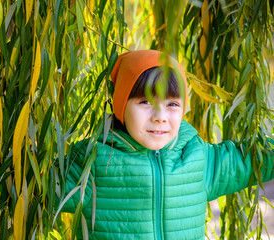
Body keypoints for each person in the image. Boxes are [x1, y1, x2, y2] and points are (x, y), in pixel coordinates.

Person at [60, 50, 274, 239]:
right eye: (145, 102)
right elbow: (35, 186)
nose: (160, 116)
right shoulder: (92, 162)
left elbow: (255, 158)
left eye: (172, 104)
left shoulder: (198, 158)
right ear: (120, 105)